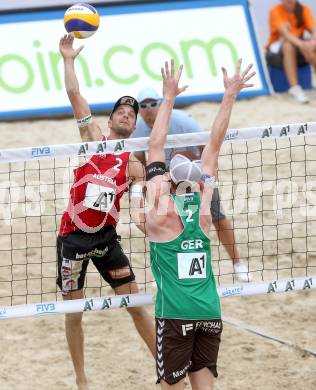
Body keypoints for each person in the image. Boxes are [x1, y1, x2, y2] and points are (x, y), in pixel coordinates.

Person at [144, 59, 255, 389]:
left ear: (170, 183)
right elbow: (214, 146)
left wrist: (168, 98)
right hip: (209, 310)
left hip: (175, 316)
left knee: (171, 386)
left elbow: (154, 146)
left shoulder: (159, 214)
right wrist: (229, 95)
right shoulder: (204, 206)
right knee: (204, 383)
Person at [57, 34, 155, 390]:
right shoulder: (92, 136)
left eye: (132, 114)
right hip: (72, 237)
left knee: (135, 302)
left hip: (106, 240)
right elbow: (74, 95)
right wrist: (69, 60)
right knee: (73, 312)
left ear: (134, 125)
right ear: (111, 119)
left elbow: (138, 212)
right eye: (122, 111)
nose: (127, 115)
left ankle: (163, 366)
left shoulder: (135, 166)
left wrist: (155, 231)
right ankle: (82, 378)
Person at [132, 88, 251, 282]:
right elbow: (138, 160)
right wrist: (146, 184)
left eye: (152, 103)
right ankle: (167, 269)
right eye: (143, 105)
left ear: (160, 103)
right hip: (166, 177)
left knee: (217, 218)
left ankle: (237, 262)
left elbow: (207, 146)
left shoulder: (182, 121)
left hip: (193, 174)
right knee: (167, 228)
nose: (148, 108)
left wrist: (208, 176)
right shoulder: (138, 128)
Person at [266, 0, 316, 104]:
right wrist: (303, 45)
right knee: (288, 45)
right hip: (278, 44)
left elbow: (314, 30)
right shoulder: (275, 10)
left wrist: (312, 43)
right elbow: (285, 35)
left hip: (299, 43)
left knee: (312, 47)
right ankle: (295, 88)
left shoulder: (304, 9)